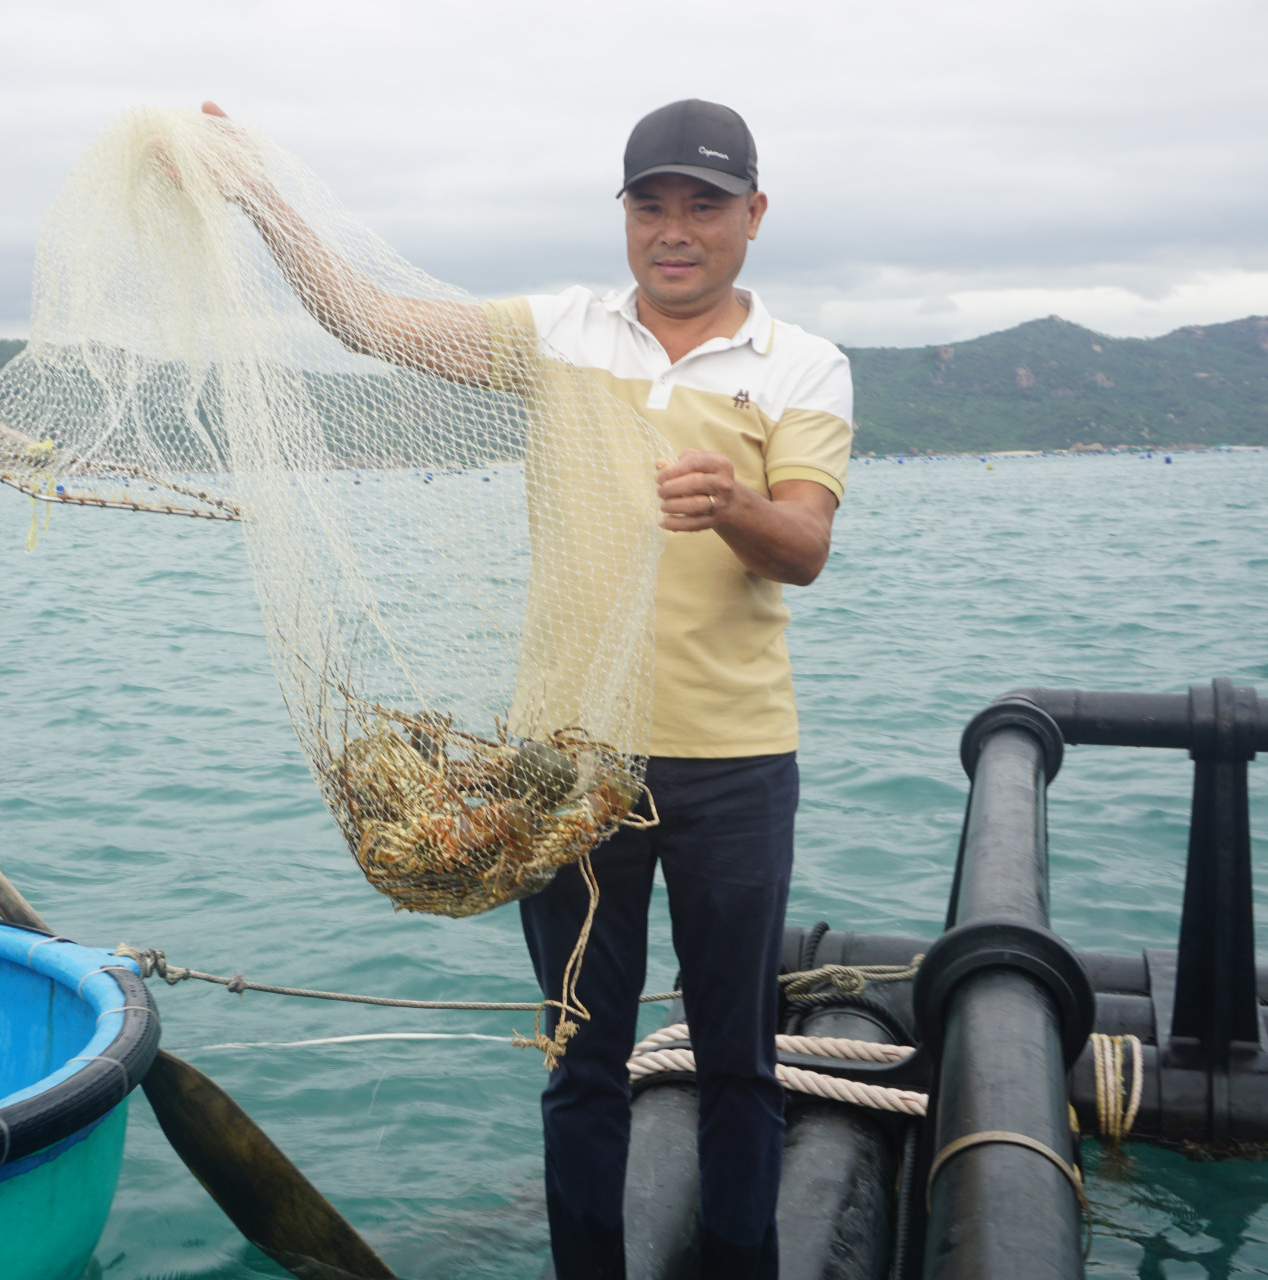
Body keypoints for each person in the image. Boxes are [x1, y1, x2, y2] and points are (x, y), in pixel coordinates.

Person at [202, 97, 852, 1280]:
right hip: (565, 765)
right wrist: (259, 196)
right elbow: (367, 319)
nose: (674, 228)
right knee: (581, 1054)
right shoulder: (556, 331)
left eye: (703, 204)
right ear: (623, 215)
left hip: (735, 761)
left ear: (753, 216)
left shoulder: (804, 363)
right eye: (649, 202)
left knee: (741, 1054)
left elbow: (802, 544)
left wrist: (737, 504)